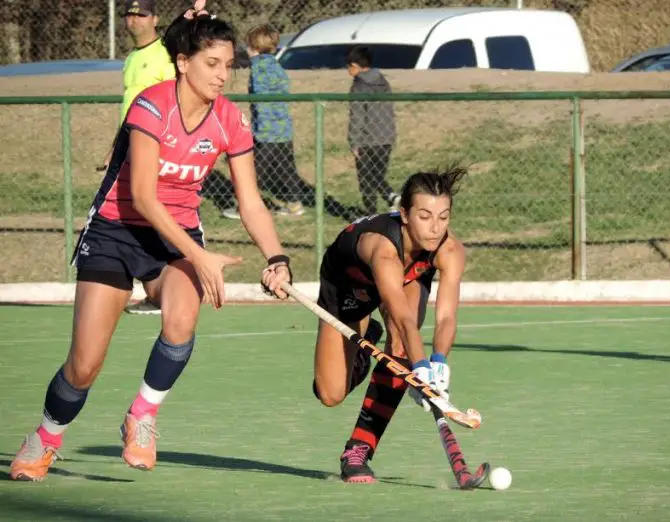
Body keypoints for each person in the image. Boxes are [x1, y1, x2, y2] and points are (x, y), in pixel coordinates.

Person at [9, 5, 292, 482]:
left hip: (174, 237)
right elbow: (142, 194)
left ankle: (142, 414)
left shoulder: (230, 120)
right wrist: (200, 255)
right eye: (211, 64)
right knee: (84, 366)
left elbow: (251, 202)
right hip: (116, 231)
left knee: (182, 317)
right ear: (183, 62)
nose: (222, 75)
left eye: (228, 65)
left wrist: (277, 258)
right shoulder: (151, 105)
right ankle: (46, 436)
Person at [310, 166, 469, 483]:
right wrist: (419, 368)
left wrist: (438, 364)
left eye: (443, 217)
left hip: (405, 280)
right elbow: (404, 318)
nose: (435, 228)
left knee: (400, 348)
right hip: (348, 287)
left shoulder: (450, 250)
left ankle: (359, 449)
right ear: (405, 215)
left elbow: (447, 317)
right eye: (424, 216)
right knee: (330, 394)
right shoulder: (383, 250)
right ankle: (364, 342)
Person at [98, 0, 176, 315]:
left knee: (154, 213)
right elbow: (130, 106)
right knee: (128, 214)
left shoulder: (164, 54)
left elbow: (174, 100)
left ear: (154, 19)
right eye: (129, 15)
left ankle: (171, 288)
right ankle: (151, 290)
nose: (134, 21)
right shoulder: (132, 58)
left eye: (141, 15)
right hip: (128, 143)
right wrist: (115, 147)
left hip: (154, 145)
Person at [225, 23, 305, 218]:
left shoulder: (259, 67)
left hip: (266, 133)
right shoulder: (276, 65)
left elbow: (261, 101)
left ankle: (244, 207)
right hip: (283, 130)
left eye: (248, 46)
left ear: (254, 48)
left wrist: (258, 131)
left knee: (252, 171)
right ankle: (294, 204)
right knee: (286, 168)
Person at [346, 45, 400, 215]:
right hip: (386, 138)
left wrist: (354, 142)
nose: (347, 70)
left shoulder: (359, 86)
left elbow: (357, 116)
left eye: (348, 66)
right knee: (377, 175)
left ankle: (373, 213)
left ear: (355, 66)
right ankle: (390, 198)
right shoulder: (383, 82)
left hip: (367, 140)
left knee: (366, 180)